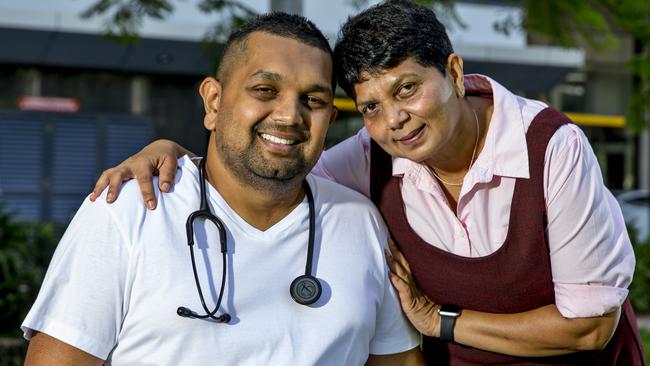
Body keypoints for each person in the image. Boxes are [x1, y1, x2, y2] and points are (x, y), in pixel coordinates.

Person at [91, 1, 645, 364]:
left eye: (407, 89)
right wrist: (171, 154)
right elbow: (266, 164)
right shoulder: (369, 159)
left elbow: (588, 327)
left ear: (453, 72)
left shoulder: (550, 146)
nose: (394, 120)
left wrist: (439, 322)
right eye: (371, 106)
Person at [21, 12, 425, 366]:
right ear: (213, 102)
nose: (289, 115)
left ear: (330, 119)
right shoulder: (129, 209)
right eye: (265, 90)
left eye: (313, 100)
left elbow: (398, 360)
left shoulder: (360, 222)